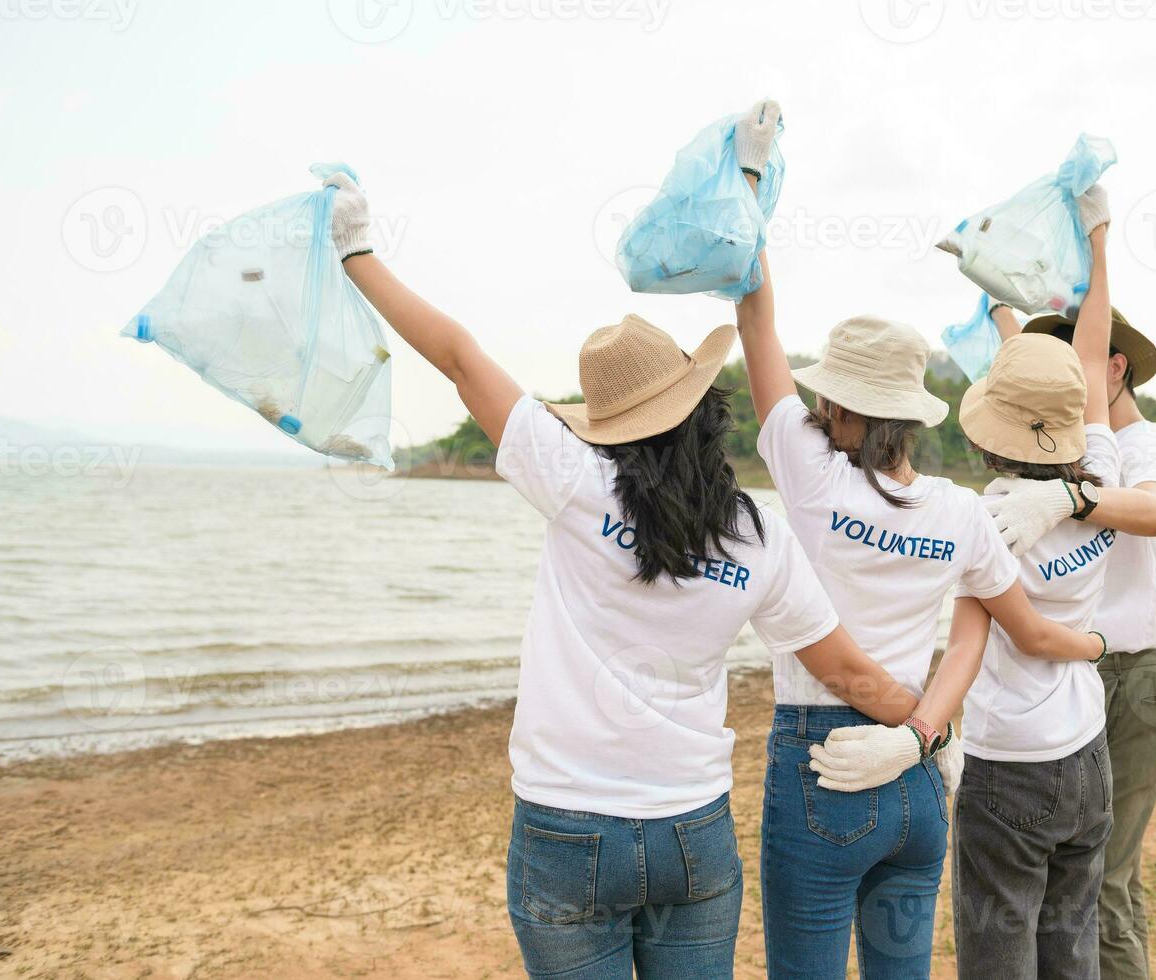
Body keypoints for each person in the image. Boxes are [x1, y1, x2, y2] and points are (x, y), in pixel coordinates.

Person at [324, 172, 933, 979]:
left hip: (565, 826)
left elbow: (458, 356)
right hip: (691, 830)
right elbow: (851, 671)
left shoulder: (573, 481)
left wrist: (357, 252)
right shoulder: (759, 538)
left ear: (608, 426)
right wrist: (930, 731)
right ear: (701, 411)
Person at [727, 99, 1106, 979]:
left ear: (839, 407)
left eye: (826, 398)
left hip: (821, 762)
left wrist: (749, 182)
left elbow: (756, 325)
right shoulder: (958, 510)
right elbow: (991, 627)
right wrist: (927, 729)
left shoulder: (812, 475)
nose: (815, 407)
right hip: (915, 776)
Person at [990, 306, 1156, 980]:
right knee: (1068, 879)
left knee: (1104, 879)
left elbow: (1154, 511)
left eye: (1074, 371)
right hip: (1079, 677)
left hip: (1127, 676)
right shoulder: (1076, 447)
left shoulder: (1142, 447)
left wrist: (1070, 500)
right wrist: (1001, 313)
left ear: (1113, 369)